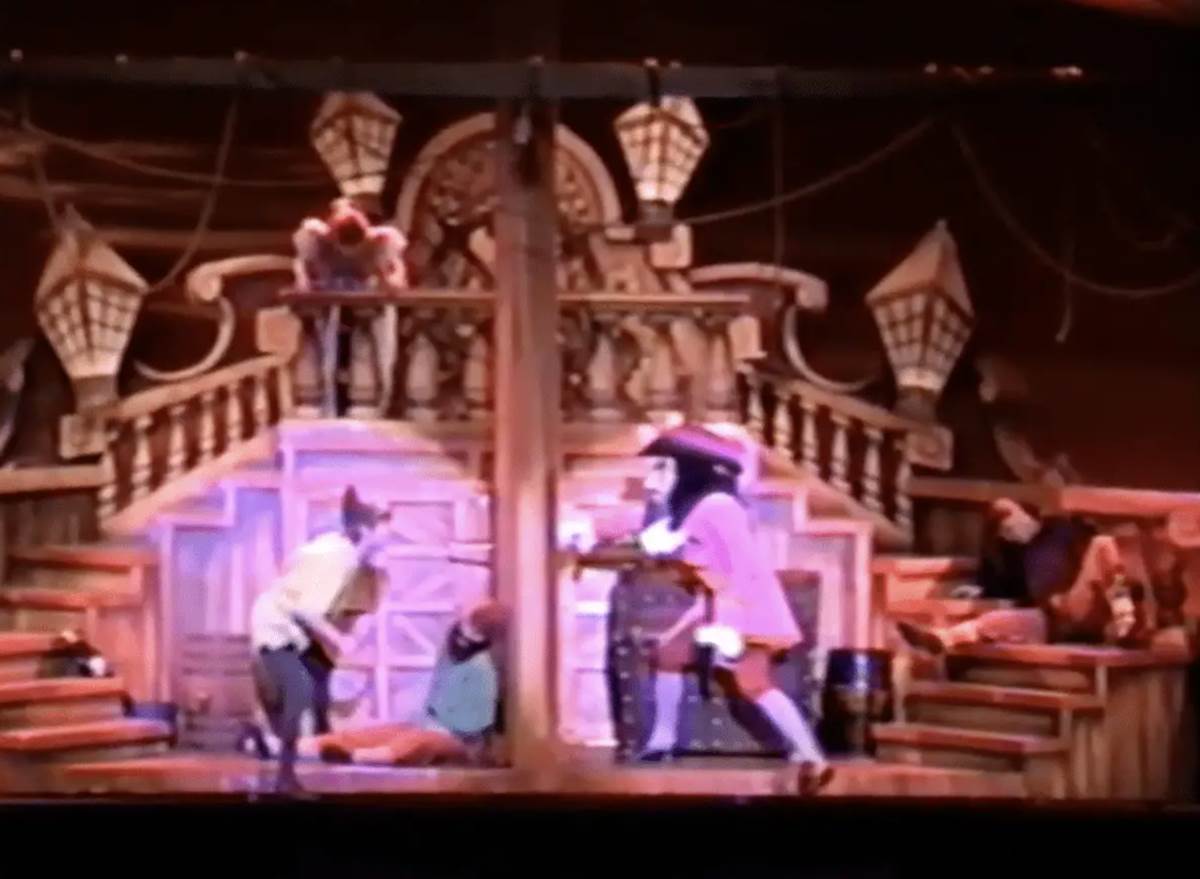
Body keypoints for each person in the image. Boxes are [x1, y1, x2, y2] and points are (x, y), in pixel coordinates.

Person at [633, 424, 833, 794]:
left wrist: (731, 624)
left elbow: (739, 568)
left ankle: (812, 756)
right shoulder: (699, 509)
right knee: (669, 653)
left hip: (747, 606)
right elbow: (685, 555)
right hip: (717, 601)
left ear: (689, 469)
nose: (658, 475)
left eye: (666, 466)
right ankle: (662, 742)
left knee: (753, 682)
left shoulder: (719, 507)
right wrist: (657, 506)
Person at [246, 486, 392, 795]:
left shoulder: (344, 553)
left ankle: (283, 758)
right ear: (364, 528)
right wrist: (339, 639)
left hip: (293, 628)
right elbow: (304, 609)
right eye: (383, 525)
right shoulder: (339, 557)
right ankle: (283, 774)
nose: (388, 534)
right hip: (277, 626)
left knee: (307, 689)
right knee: (299, 690)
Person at [898, 499, 1157, 654]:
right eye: (1003, 526)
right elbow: (1004, 587)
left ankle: (1126, 620)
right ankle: (941, 639)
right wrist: (978, 588)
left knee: (1103, 544)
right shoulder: (1015, 555)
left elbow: (1104, 561)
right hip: (1052, 622)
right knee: (991, 621)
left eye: (1011, 516)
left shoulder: (1061, 531)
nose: (1010, 526)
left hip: (1085, 605)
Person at [298, 599, 508, 766]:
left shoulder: (482, 670)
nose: (460, 634)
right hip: (426, 724)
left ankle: (374, 755)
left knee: (420, 742)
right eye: (461, 625)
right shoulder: (449, 654)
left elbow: (473, 727)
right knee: (386, 732)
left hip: (456, 740)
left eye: (470, 629)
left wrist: (441, 722)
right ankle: (315, 745)